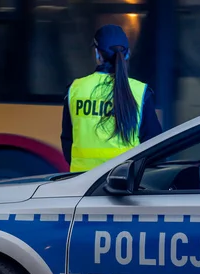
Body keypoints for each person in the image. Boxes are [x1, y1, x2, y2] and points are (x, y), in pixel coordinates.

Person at [61, 24, 162, 172]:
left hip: (81, 184)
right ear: (127, 54)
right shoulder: (140, 92)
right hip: (123, 183)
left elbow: (67, 140)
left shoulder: (75, 89)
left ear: (97, 54)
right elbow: (154, 145)